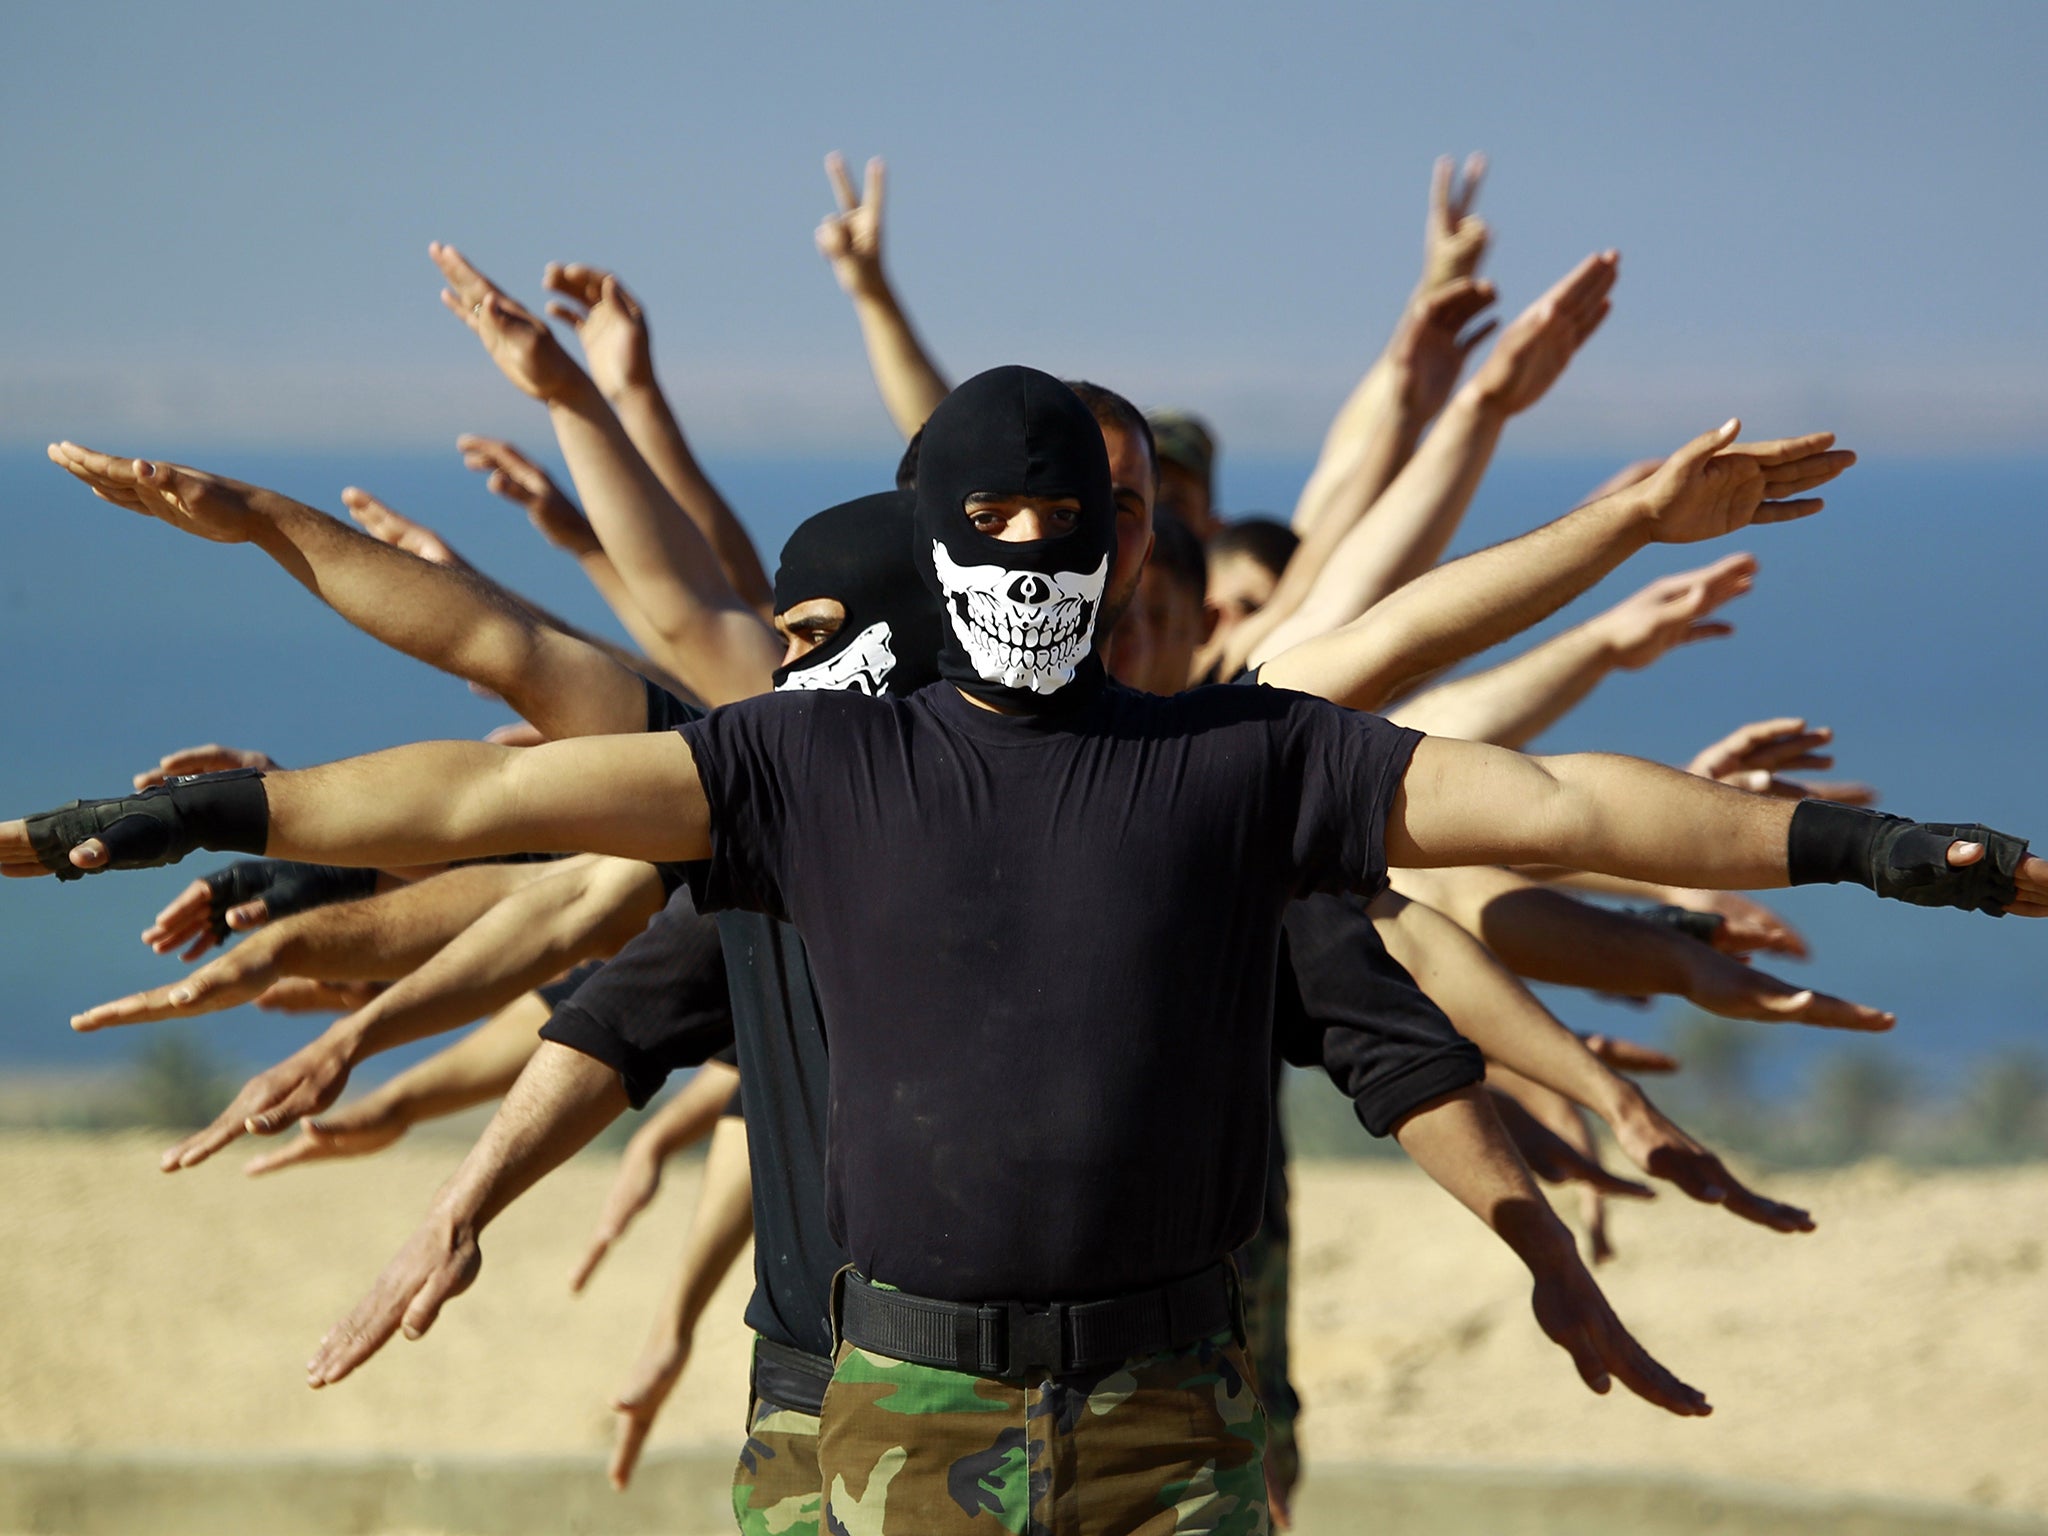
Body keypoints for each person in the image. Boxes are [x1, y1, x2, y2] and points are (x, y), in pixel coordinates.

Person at [14, 369, 2039, 1536]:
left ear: (1127, 547)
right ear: (929, 533)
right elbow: (469, 798)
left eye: (1071, 528)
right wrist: (177, 819)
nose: (1034, 567)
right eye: (988, 528)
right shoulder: (798, 772)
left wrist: (1898, 850)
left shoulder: (1243, 762)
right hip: (887, 1407)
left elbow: (1571, 813)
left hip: (1175, 1417)